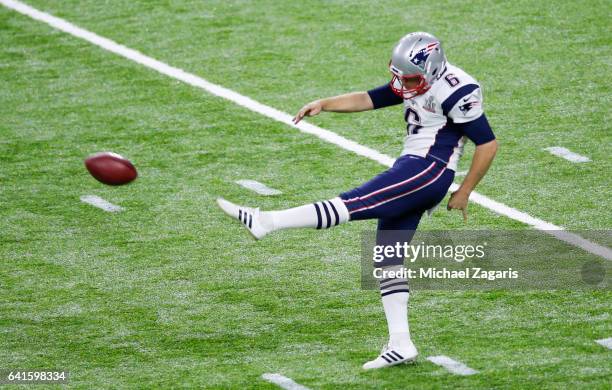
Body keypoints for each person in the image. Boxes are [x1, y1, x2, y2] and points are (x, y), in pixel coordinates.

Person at [217, 32, 498, 369]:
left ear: (433, 69)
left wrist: (465, 191)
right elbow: (372, 97)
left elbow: (487, 143)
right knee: (387, 259)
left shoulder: (458, 90)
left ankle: (267, 221)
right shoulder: (414, 77)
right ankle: (401, 343)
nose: (403, 84)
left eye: (410, 78)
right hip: (413, 166)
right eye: (401, 76)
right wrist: (326, 103)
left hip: (428, 170)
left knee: (351, 204)